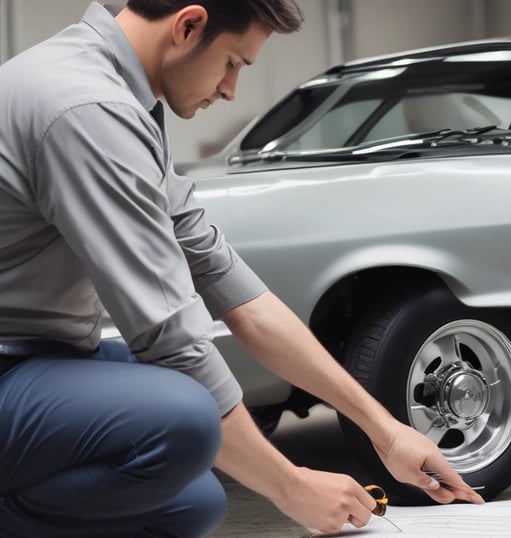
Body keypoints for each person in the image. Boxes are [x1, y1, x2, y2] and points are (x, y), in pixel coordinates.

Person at [0, 0, 483, 536]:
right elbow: (169, 337)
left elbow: (234, 289)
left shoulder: (119, 99)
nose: (231, 90)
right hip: (12, 365)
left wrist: (384, 430)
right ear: (188, 25)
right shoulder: (86, 108)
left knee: (193, 502)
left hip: (41, 359)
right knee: (184, 417)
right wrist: (291, 486)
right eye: (233, 62)